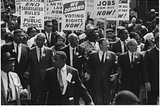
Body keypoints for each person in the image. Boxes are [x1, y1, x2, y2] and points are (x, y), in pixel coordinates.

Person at [89, 38, 118, 105]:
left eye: (108, 44)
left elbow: (116, 67)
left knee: (106, 102)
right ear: (100, 45)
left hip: (107, 82)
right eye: (106, 44)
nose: (108, 46)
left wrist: (115, 75)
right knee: (97, 101)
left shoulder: (112, 55)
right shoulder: (93, 55)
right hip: (96, 82)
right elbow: (89, 66)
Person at [29, 33, 53, 104]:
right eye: (37, 40)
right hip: (34, 78)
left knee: (44, 97)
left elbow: (51, 64)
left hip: (45, 77)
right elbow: (29, 63)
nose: (38, 42)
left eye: (40, 40)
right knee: (34, 97)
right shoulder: (31, 51)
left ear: (44, 41)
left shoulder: (49, 51)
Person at [142, 31, 159, 105]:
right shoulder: (149, 53)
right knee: (152, 101)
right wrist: (147, 81)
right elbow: (145, 68)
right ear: (156, 42)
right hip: (153, 82)